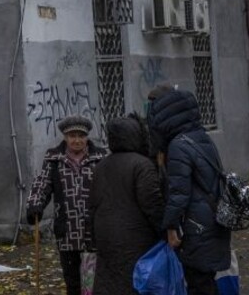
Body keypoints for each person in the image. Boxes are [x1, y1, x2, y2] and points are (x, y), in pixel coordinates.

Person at [148, 89, 232, 295]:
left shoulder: (178, 145)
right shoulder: (202, 138)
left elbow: (179, 193)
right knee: (206, 280)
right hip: (213, 222)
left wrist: (169, 226)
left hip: (197, 227)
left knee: (198, 283)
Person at [27, 115, 107, 295]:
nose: (77, 140)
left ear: (87, 137)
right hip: (67, 230)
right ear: (65, 137)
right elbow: (42, 184)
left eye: (81, 135)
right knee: (72, 281)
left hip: (94, 229)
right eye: (72, 136)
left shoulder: (100, 157)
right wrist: (35, 205)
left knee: (95, 280)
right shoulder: (54, 159)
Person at [89, 114, 165, 295]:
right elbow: (152, 204)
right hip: (136, 238)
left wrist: (94, 236)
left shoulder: (101, 166)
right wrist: (165, 230)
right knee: (134, 282)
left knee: (109, 282)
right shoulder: (142, 165)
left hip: (106, 236)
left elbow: (92, 205)